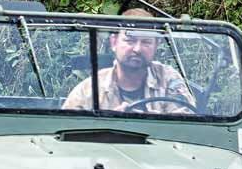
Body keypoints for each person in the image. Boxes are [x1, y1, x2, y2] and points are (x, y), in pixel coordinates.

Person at [61, 9, 195, 114]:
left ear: (156, 46)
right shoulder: (91, 89)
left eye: (146, 42)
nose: (137, 49)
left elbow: (187, 124)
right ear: (114, 42)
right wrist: (110, 121)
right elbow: (66, 128)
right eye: (130, 41)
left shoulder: (168, 79)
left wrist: (151, 120)